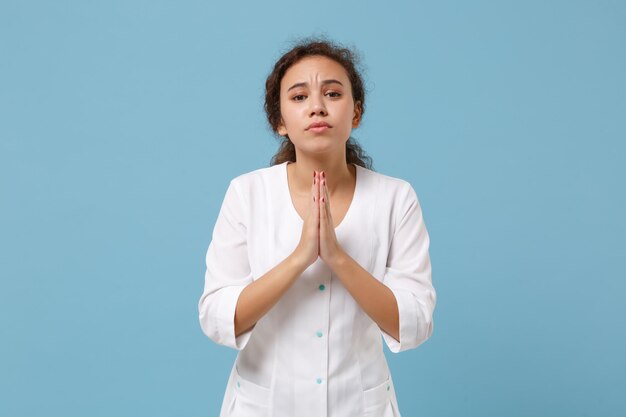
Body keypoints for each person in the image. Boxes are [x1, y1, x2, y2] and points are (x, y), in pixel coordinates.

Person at [198, 37, 436, 417]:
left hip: (359, 406)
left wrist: (338, 258)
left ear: (356, 113)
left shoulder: (396, 198)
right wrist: (300, 258)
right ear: (279, 121)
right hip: (265, 406)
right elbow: (217, 317)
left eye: (332, 93)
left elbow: (414, 323)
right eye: (298, 97)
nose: (317, 107)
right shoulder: (247, 193)